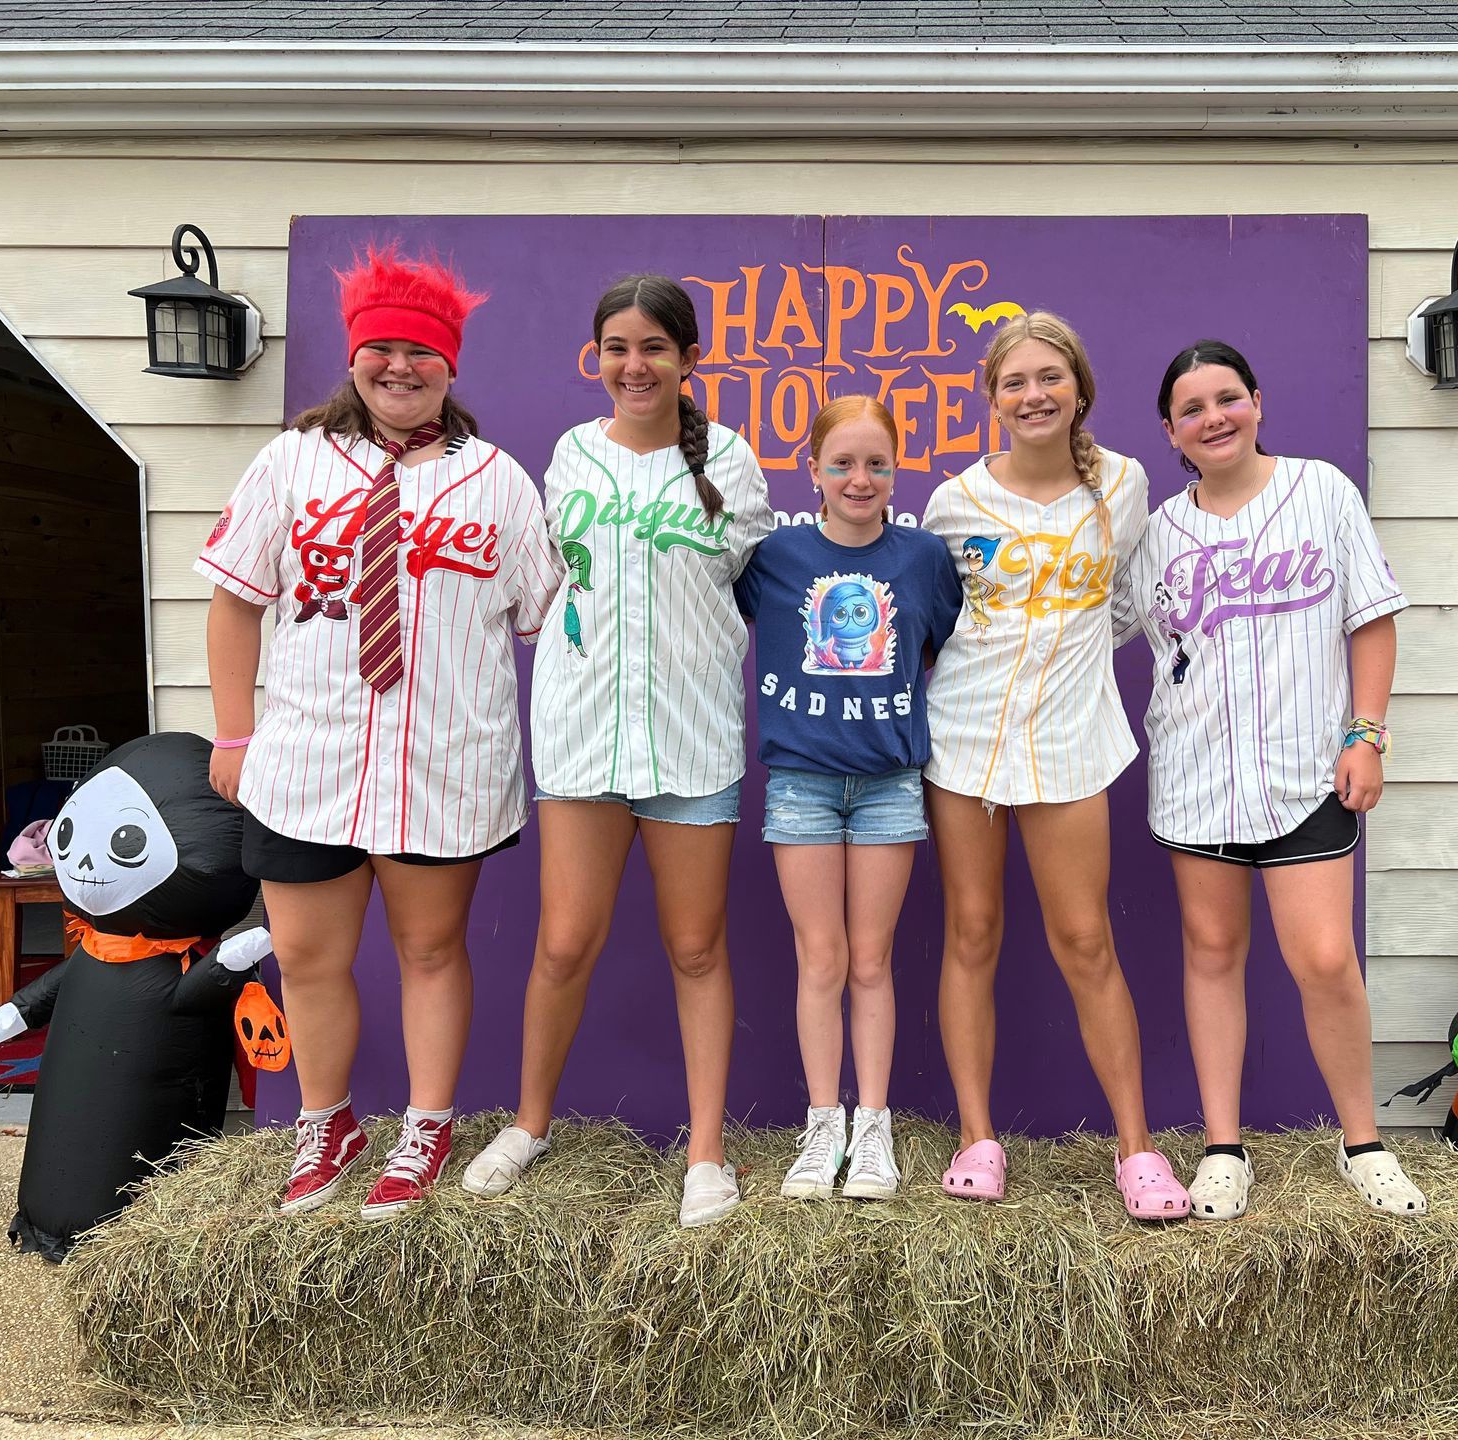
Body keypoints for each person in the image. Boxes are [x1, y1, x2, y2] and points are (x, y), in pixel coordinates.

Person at [198, 245, 560, 1219]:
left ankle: (426, 1125)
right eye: (382, 349)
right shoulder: (292, 464)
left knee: (431, 952)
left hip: (442, 765)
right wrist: (232, 738)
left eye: (422, 353)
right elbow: (235, 605)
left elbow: (547, 616)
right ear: (356, 355)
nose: (400, 367)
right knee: (309, 959)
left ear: (451, 366)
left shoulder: (499, 483)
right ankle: (329, 1123)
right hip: (307, 762)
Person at [459, 274, 774, 1228]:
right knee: (563, 943)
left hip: (690, 736)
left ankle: (708, 1152)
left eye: (654, 348)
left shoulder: (730, 459)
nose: (634, 366)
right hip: (583, 731)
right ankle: (530, 1123)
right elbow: (548, 585)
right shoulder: (568, 457)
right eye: (617, 348)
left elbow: (750, 589)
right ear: (595, 358)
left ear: (688, 359)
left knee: (695, 947)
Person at [1124, 338, 1427, 1220]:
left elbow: (1370, 619)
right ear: (1171, 431)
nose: (1212, 417)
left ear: (1256, 401)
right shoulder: (1153, 534)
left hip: (1304, 772)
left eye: (1226, 398)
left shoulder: (1321, 490)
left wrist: (1366, 733)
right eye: (1191, 409)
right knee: (1213, 953)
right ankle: (1224, 1146)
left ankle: (1362, 1141)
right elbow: (1093, 626)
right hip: (1197, 772)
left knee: (1325, 959)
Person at [921, 310, 1189, 1221]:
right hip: (962, 743)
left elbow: (1120, 608)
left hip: (1073, 742)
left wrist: (1068, 660)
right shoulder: (953, 501)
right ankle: (976, 1138)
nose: (1033, 395)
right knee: (972, 933)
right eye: (1014, 382)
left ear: (1078, 387)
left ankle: (1138, 1151)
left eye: (1050, 378)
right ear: (991, 397)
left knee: (1085, 942)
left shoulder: (1123, 483)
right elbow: (936, 624)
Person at [733, 396, 962, 1201]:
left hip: (889, 785)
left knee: (871, 960)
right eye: (842, 464)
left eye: (876, 464)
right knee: (820, 958)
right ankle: (822, 1121)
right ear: (813, 470)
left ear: (897, 470)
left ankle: (874, 1125)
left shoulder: (924, 558)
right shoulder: (776, 557)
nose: (859, 480)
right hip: (801, 783)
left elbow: (932, 647)